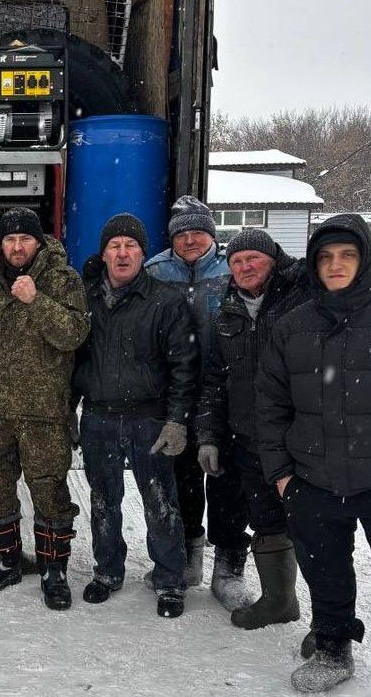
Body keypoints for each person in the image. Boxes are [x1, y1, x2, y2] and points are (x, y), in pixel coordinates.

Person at [256, 214, 371, 693]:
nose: (336, 265)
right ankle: (332, 648)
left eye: (347, 255)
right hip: (313, 479)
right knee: (325, 571)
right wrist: (283, 474)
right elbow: (270, 405)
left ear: (364, 259)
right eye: (326, 256)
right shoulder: (291, 328)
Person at [73, 213, 197, 618]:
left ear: (144, 254)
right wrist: (65, 414)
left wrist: (177, 420)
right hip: (99, 417)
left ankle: (170, 580)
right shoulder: (86, 300)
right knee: (104, 500)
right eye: (114, 246)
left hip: (150, 419)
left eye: (131, 246)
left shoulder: (165, 301)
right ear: (104, 253)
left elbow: (183, 367)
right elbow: (71, 362)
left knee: (160, 501)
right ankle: (107, 572)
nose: (122, 253)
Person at [0, 207, 88, 611]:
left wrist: (36, 300)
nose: (17, 246)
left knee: (50, 492)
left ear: (39, 243)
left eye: (25, 239)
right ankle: (4, 559)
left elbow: (73, 334)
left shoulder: (62, 279)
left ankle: (53, 570)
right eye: (9, 240)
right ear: (0, 244)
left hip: (44, 411)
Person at [196, 228, 310, 632]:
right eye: (237, 261)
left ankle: (330, 619)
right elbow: (213, 382)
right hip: (244, 436)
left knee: (312, 524)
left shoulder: (299, 299)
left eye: (254, 259)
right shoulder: (225, 312)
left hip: (297, 438)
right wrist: (208, 436)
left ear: (272, 260)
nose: (244, 267)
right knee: (264, 518)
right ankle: (279, 600)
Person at [145, 196, 251, 607]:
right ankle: (190, 551)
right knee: (183, 478)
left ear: (212, 235)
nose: (190, 241)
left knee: (228, 482)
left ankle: (229, 566)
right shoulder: (155, 271)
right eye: (182, 234)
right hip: (175, 391)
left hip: (227, 390)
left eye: (198, 232)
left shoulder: (233, 271)